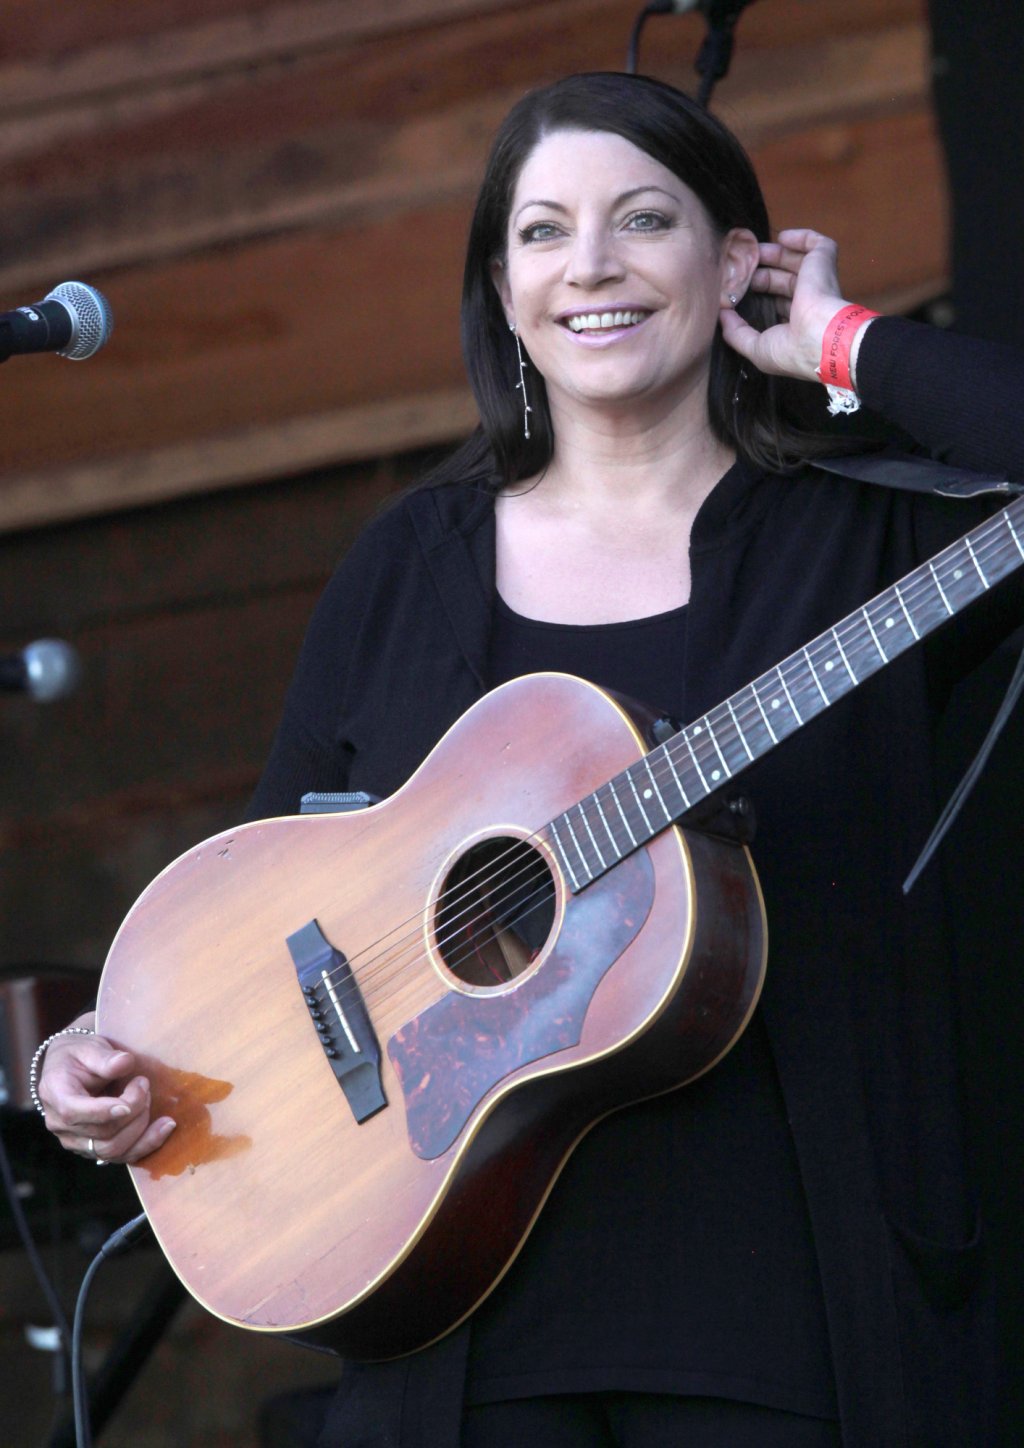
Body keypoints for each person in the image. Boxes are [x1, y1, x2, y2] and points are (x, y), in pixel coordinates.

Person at [32, 72, 1024, 1447]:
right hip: (453, 1323)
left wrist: (846, 340)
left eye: (646, 220)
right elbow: (254, 898)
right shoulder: (412, 565)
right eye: (543, 232)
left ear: (735, 259)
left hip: (794, 1309)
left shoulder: (860, 544)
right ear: (502, 289)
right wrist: (118, 1062)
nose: (594, 266)